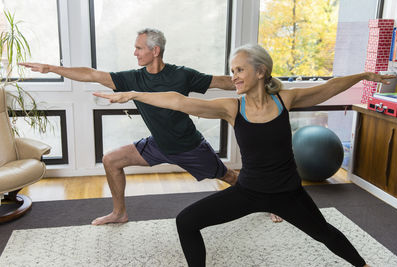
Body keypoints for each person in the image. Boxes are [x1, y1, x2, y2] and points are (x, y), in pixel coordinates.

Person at [93, 44, 392, 266]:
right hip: (248, 192)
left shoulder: (284, 100)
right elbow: (178, 101)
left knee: (325, 233)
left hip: (289, 194)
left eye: (239, 70)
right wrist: (133, 94)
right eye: (232, 70)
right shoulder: (232, 107)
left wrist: (365, 75)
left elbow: (329, 88)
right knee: (186, 221)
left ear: (261, 71)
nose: (233, 77)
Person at [20, 28, 282, 225]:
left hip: (189, 147)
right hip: (158, 145)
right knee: (111, 160)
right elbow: (90, 74)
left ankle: (271, 202)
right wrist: (50, 68)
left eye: (139, 48)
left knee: (229, 177)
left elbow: (222, 82)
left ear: (155, 51)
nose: (134, 52)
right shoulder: (133, 78)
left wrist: (261, 81)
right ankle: (119, 212)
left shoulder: (181, 74)